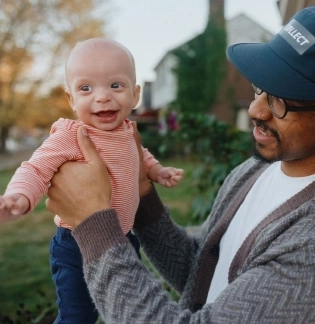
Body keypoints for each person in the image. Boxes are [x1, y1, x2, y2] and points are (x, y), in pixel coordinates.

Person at [46, 4, 315, 323]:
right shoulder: (255, 170)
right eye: (261, 87)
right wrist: (142, 193)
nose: (255, 109)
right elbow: (200, 272)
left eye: (281, 100)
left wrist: (94, 223)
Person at [0, 38, 184, 323]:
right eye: (86, 88)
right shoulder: (70, 135)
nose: (102, 97)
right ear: (71, 100)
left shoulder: (126, 131)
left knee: (119, 308)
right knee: (78, 315)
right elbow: (36, 168)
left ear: (135, 95)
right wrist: (20, 196)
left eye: (115, 86)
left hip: (120, 238)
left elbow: (140, 157)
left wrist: (157, 171)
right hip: (75, 244)